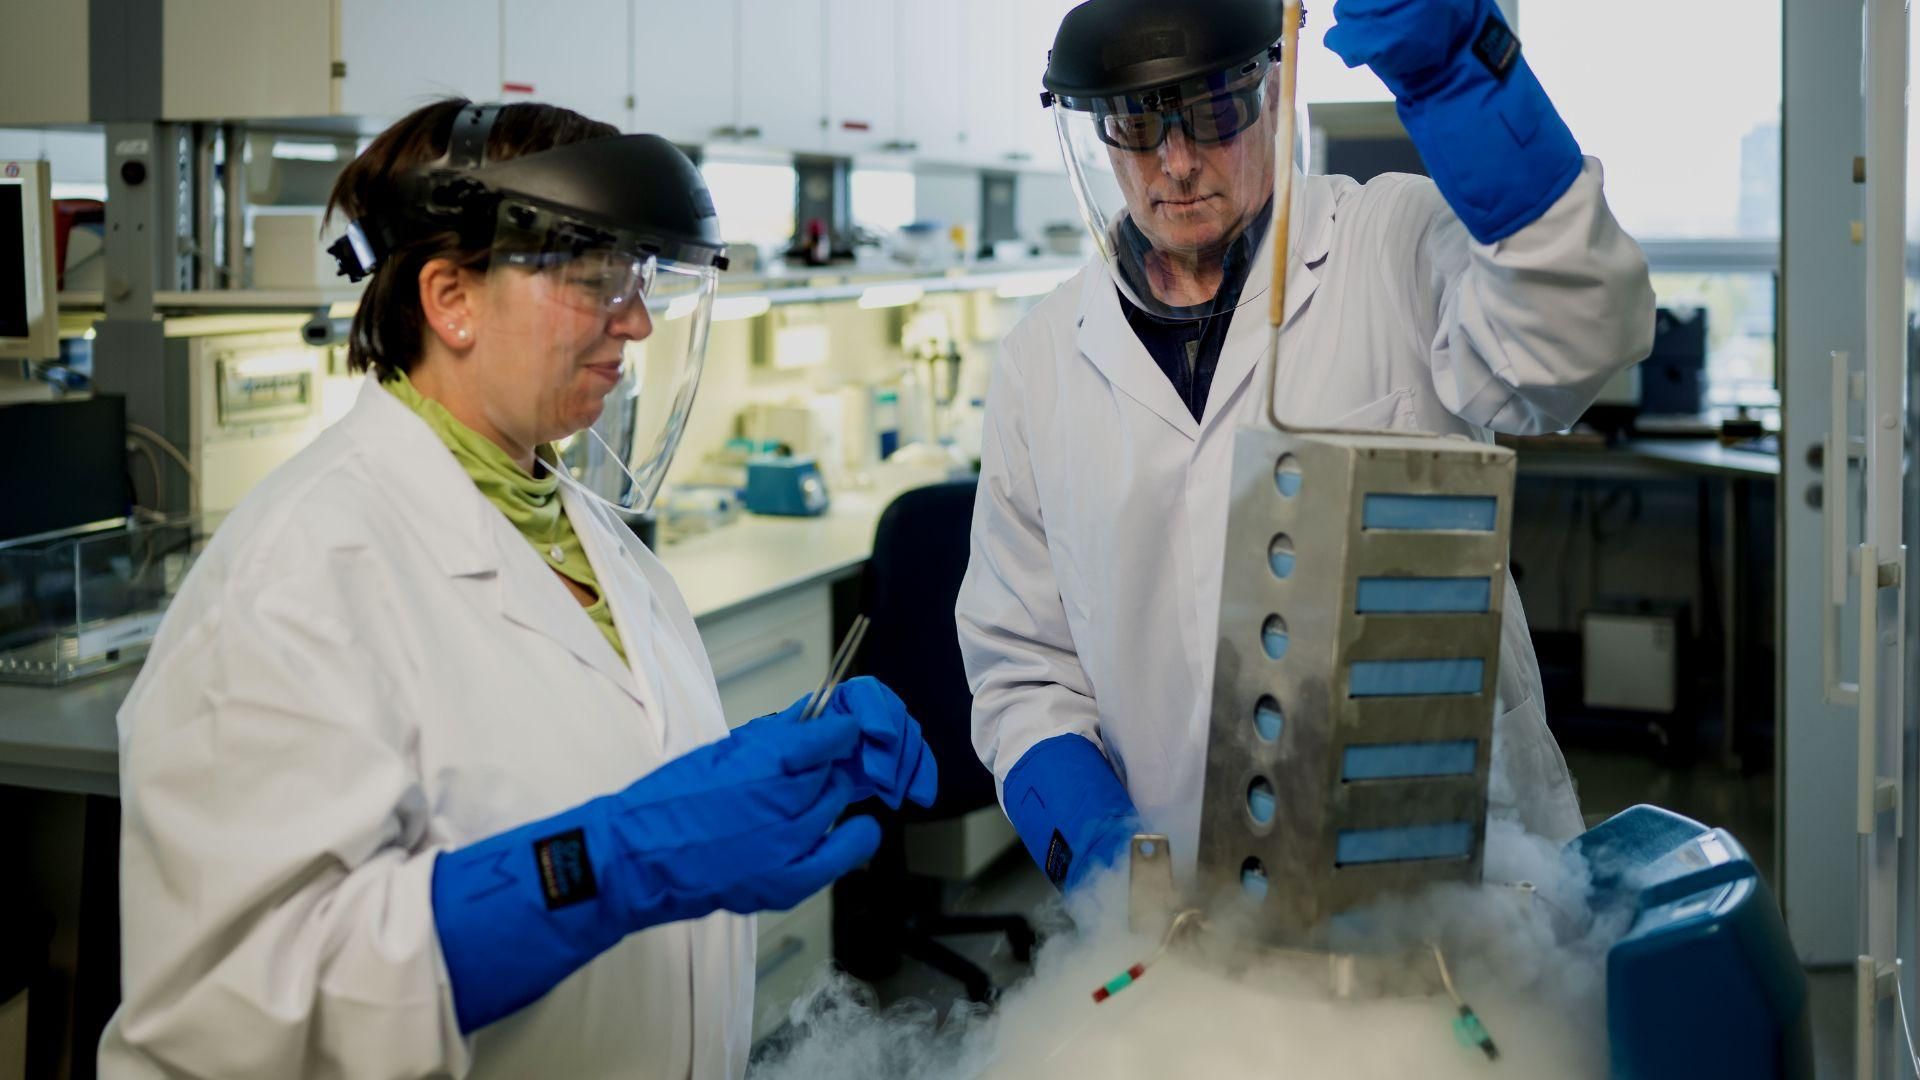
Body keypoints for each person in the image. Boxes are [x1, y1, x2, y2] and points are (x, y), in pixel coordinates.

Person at [99, 99, 935, 1079]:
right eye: (594, 279)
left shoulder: (588, 533)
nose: (636, 321)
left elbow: (616, 767)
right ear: (450, 297)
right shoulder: (296, 577)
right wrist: (614, 861)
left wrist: (764, 763)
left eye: (638, 280)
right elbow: (238, 1022)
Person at [958, 0, 1656, 893]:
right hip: (1182, 900)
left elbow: (1581, 335)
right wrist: (1093, 841)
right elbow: (1019, 666)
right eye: (1136, 125)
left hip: (1453, 888)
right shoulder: (1042, 362)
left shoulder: (1391, 244)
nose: (1175, 160)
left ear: (1274, 89)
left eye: (1210, 111)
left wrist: (1466, 78)